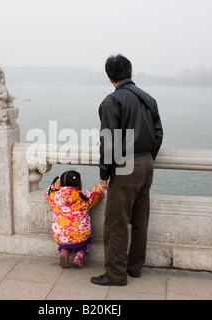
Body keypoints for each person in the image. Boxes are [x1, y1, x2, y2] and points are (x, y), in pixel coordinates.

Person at [91, 54, 163, 286]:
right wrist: (147, 158)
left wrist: (104, 174)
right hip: (146, 164)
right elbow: (158, 133)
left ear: (110, 78)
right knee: (140, 220)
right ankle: (134, 268)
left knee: (116, 223)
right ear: (131, 73)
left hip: (126, 167)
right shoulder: (149, 98)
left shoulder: (111, 102)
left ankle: (115, 275)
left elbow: (109, 142)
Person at [45, 170, 104, 268]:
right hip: (80, 236)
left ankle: (65, 252)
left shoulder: (54, 196)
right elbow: (99, 192)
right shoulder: (85, 196)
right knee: (87, 240)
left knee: (66, 241)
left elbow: (48, 190)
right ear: (79, 183)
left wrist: (58, 186)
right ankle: (79, 256)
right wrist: (98, 187)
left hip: (60, 236)